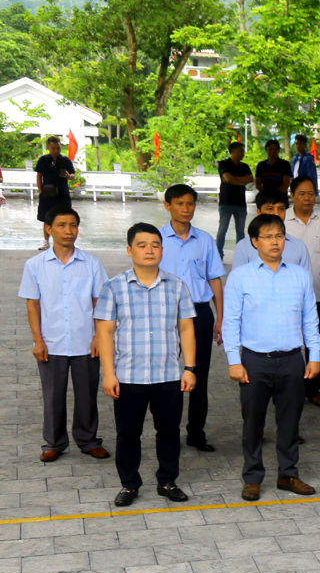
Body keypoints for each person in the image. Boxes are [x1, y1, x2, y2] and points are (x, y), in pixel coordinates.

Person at [94, 223, 197, 508]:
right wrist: (109, 374)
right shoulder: (114, 287)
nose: (149, 250)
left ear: (162, 250)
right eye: (142, 245)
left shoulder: (176, 285)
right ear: (130, 250)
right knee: (128, 434)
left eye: (155, 244)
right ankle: (129, 484)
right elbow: (104, 333)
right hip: (128, 376)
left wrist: (189, 368)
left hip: (167, 375)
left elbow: (187, 329)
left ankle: (167, 481)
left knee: (169, 432)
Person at [223, 213, 320, 502]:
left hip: (292, 360)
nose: (274, 241)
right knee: (252, 422)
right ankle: (253, 477)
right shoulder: (241, 276)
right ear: (254, 242)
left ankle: (288, 474)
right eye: (267, 236)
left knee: (290, 421)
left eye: (279, 235)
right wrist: (233, 360)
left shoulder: (300, 275)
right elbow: (231, 322)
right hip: (254, 360)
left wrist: (314, 355)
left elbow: (310, 320)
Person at [19, 206, 109, 463]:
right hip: (51, 342)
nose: (68, 231)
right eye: (61, 225)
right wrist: (38, 340)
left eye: (73, 225)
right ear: (49, 229)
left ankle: (88, 440)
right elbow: (32, 305)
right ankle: (54, 443)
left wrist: (98, 338)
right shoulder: (35, 265)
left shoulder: (92, 264)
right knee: (53, 396)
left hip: (85, 342)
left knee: (87, 395)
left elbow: (100, 303)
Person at [158, 184, 225, 453]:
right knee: (168, 375)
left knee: (199, 373)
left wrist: (220, 317)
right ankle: (168, 430)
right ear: (168, 206)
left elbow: (215, 279)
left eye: (190, 204)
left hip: (200, 313)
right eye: (179, 204)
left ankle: (196, 431)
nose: (185, 209)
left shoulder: (205, 240)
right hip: (166, 314)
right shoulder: (156, 239)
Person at [287, 176, 320, 408]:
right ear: (292, 195)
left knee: (316, 341)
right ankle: (289, 389)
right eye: (301, 193)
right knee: (289, 345)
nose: (307, 198)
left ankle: (313, 388)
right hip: (287, 297)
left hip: (319, 295)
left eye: (311, 193)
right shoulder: (282, 220)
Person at [232, 191, 312, 272]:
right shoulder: (243, 247)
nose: (276, 214)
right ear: (259, 212)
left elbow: (306, 281)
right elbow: (238, 280)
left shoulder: (299, 247)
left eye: (281, 209)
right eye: (270, 209)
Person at [35, 136, 75, 251]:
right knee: (46, 218)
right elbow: (39, 175)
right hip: (47, 193)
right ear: (48, 147)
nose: (56, 150)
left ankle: (65, 241)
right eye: (53, 148)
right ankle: (46, 241)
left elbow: (73, 175)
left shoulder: (65, 160)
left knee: (65, 217)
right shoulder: (43, 160)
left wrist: (68, 176)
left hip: (62, 193)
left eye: (58, 148)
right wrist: (40, 190)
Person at [216, 141, 254, 257]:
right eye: (240, 150)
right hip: (226, 202)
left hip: (240, 203)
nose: (242, 153)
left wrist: (234, 179)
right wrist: (241, 181)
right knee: (222, 229)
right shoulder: (223, 164)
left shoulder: (244, 166)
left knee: (241, 231)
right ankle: (218, 254)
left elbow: (250, 179)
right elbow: (228, 178)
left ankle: (240, 255)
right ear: (233, 151)